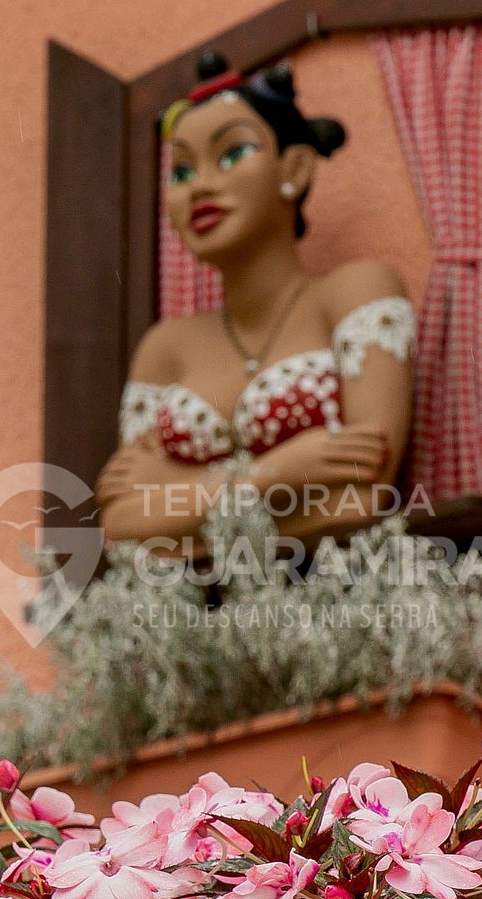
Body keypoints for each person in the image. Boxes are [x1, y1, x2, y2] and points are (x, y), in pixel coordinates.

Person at [94, 50, 415, 545]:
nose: (200, 186)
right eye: (181, 172)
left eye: (231, 155)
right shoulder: (165, 347)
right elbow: (123, 529)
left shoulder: (356, 292)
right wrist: (283, 472)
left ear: (297, 168)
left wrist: (177, 494)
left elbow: (363, 497)